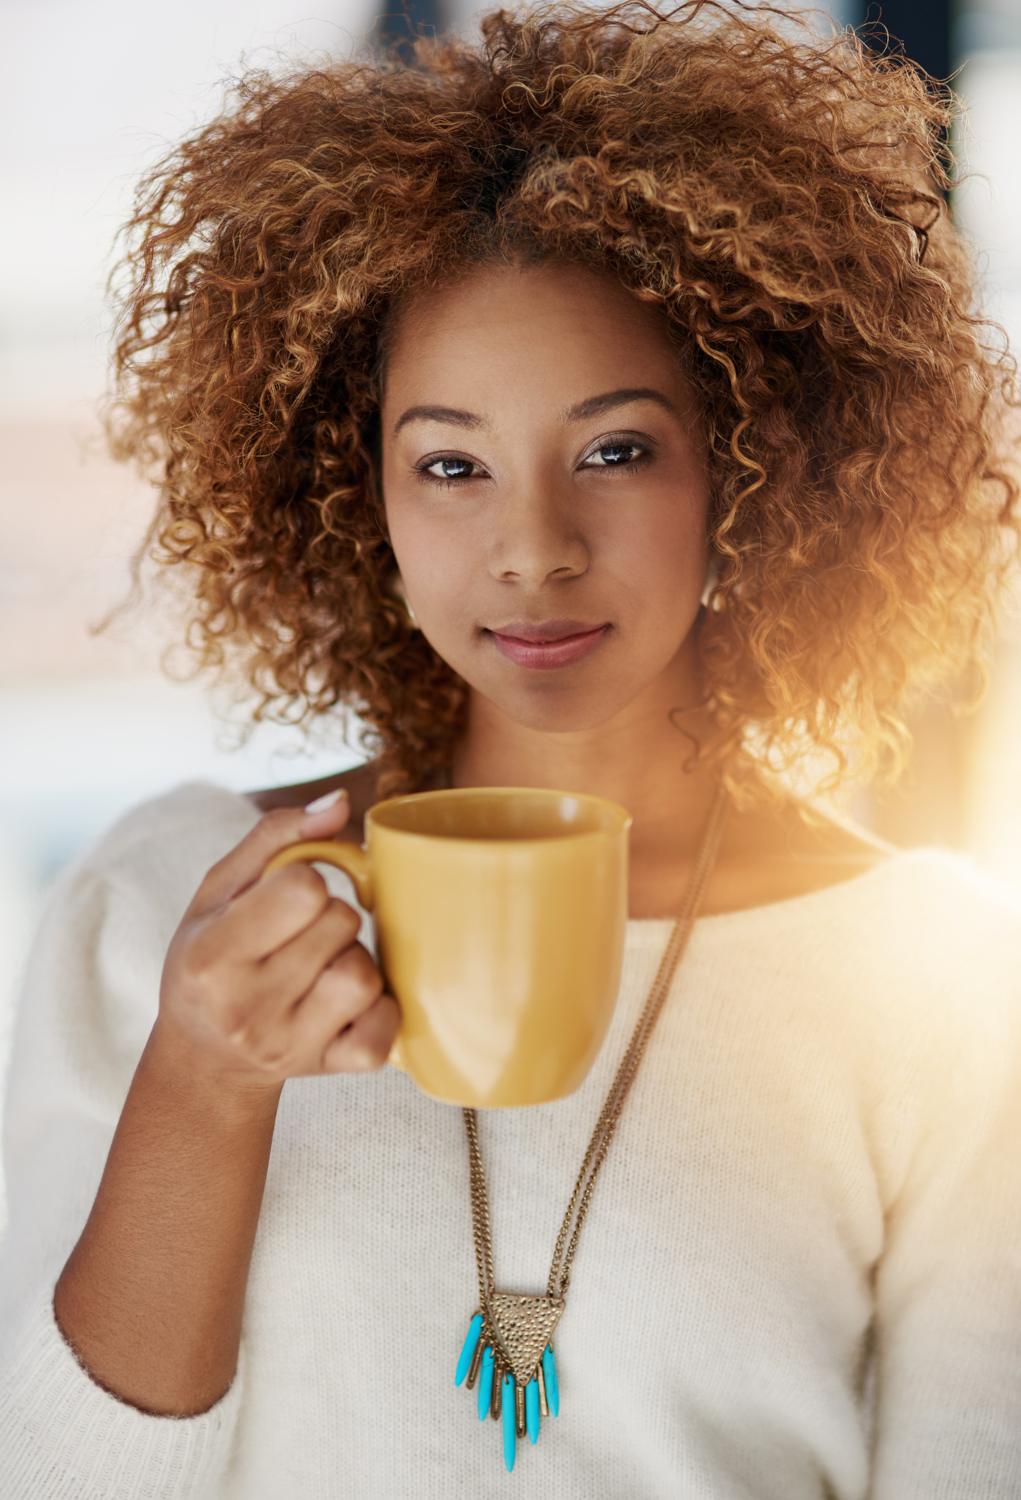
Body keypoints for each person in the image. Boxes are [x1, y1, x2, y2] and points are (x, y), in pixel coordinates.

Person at [2, 1, 1020, 1495]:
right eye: (451, 463)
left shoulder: (941, 986)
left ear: (756, 462)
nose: (531, 549)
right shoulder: (173, 906)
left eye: (615, 450)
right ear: (360, 498)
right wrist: (204, 1083)